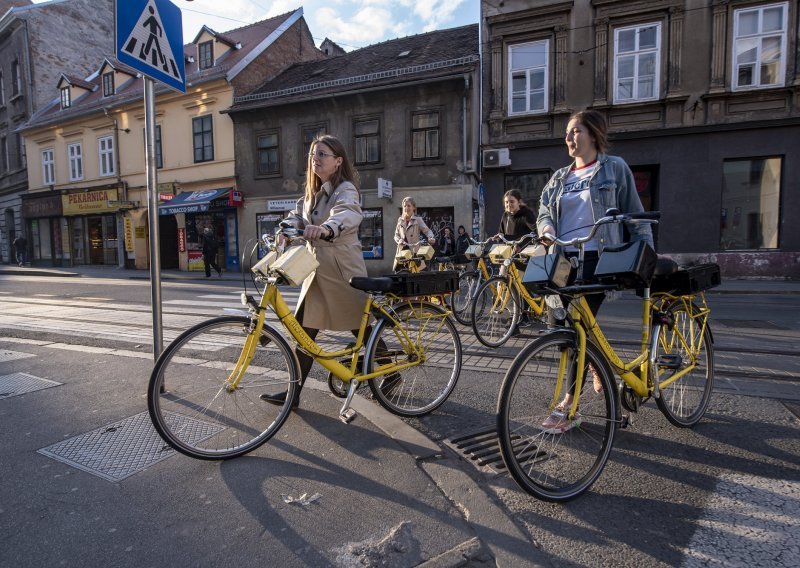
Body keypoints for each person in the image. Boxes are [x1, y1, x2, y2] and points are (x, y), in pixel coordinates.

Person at [537, 109, 653, 433]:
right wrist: (546, 227)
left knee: (579, 330)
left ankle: (567, 404)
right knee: (558, 323)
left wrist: (647, 253)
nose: (569, 138)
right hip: (563, 261)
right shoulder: (561, 177)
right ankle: (596, 363)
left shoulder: (613, 169)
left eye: (575, 131)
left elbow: (635, 214)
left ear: (593, 134)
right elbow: (544, 207)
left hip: (597, 258)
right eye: (568, 133)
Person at [261, 135, 393, 408]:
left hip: (343, 268)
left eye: (322, 154)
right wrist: (285, 232)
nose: (315, 159)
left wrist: (326, 228)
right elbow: (297, 215)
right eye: (312, 155)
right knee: (304, 333)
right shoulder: (312, 194)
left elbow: (347, 213)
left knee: (361, 326)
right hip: (318, 269)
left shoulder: (345, 189)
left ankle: (390, 372)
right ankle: (293, 394)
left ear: (338, 161)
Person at [393, 196, 435, 271]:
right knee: (400, 276)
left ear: (413, 208)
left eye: (409, 206)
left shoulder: (417, 220)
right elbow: (396, 235)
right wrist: (399, 240)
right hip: (402, 253)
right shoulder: (400, 220)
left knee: (420, 275)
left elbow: (427, 231)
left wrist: (431, 237)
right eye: (404, 206)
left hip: (414, 252)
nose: (406, 208)